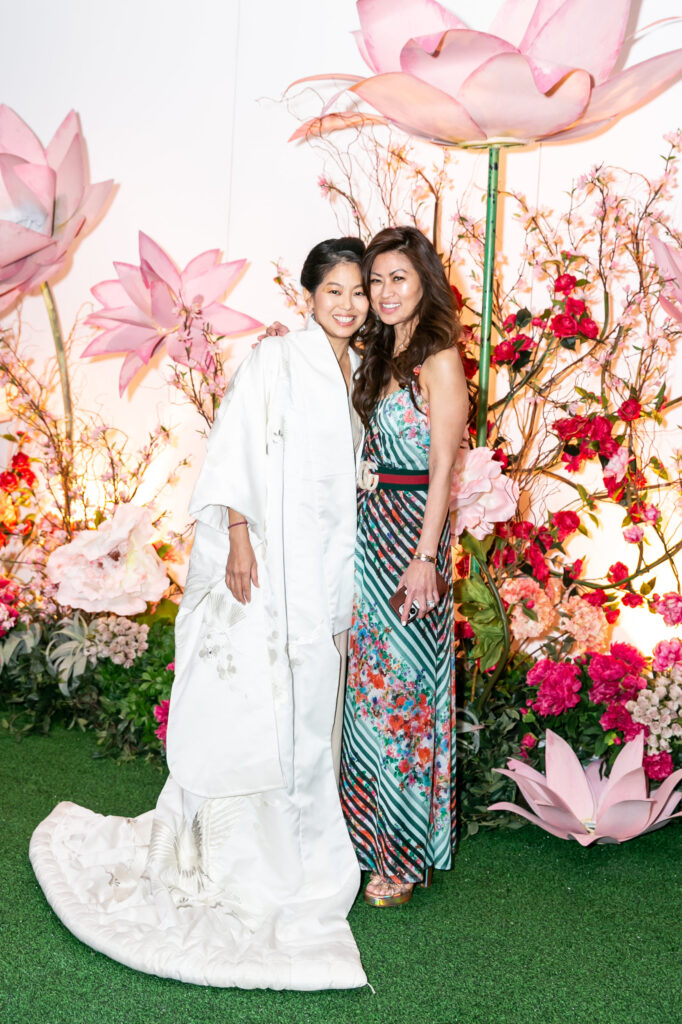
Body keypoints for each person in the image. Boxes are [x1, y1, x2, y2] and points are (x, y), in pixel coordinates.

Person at [29, 238, 370, 990]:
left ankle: (301, 848)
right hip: (266, 566)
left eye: (358, 292)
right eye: (333, 291)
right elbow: (235, 449)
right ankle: (238, 853)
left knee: (308, 709)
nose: (347, 305)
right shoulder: (278, 360)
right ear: (308, 296)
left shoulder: (356, 373)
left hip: (320, 576)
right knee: (253, 707)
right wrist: (239, 540)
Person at [339, 226, 468, 907]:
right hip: (369, 533)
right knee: (368, 695)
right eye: (376, 281)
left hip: (412, 542)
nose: (385, 293)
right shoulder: (378, 351)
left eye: (398, 279)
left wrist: (426, 559)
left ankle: (402, 857)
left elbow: (444, 465)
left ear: (424, 283)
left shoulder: (437, 357)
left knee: (406, 702)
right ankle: (364, 840)